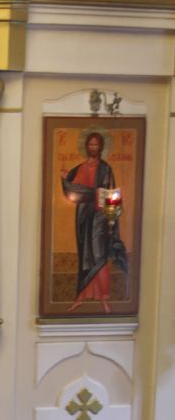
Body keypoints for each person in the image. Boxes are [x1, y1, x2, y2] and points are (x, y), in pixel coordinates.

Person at [62, 131, 127, 313]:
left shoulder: (106, 169)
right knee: (85, 254)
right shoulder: (80, 168)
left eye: (96, 144)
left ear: (101, 147)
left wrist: (110, 209)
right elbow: (73, 190)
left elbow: (111, 194)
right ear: (86, 147)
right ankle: (81, 297)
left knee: (99, 254)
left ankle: (104, 297)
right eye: (90, 144)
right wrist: (66, 179)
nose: (93, 147)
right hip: (84, 216)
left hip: (100, 217)